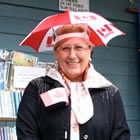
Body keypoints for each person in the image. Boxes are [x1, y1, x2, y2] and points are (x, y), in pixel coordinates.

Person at [16, 23, 130, 140]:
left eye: (78, 47)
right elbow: (26, 134)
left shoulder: (109, 92)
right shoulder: (37, 88)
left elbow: (120, 135)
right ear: (56, 53)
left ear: (89, 51)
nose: (72, 55)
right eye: (65, 48)